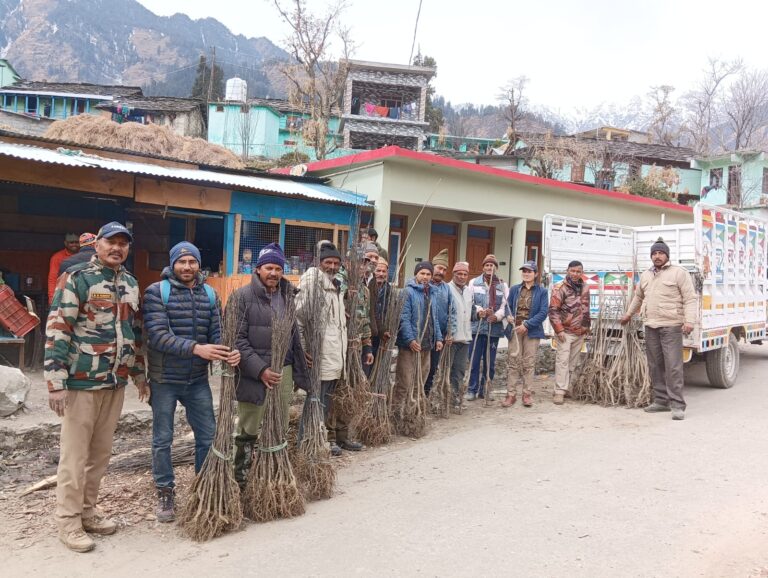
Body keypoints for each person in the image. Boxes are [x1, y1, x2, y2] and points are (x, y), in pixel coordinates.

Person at [44, 221, 148, 553]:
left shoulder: (131, 284)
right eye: (111, 242)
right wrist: (55, 382)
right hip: (80, 383)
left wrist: (139, 375)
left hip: (114, 383)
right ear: (98, 245)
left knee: (100, 456)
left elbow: (133, 334)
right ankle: (68, 521)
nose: (117, 248)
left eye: (123, 243)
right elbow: (59, 327)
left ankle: (88, 511)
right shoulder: (79, 279)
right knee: (74, 457)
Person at [143, 241, 240, 522]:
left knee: (207, 436)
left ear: (199, 265)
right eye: (182, 262)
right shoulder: (156, 293)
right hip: (164, 380)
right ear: (173, 264)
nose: (187, 267)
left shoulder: (209, 294)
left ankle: (203, 486)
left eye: (192, 262)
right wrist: (197, 348)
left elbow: (216, 333)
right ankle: (165, 491)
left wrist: (227, 352)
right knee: (163, 439)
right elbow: (157, 335)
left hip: (197, 379)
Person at [232, 243, 309, 485]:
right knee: (250, 424)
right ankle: (241, 475)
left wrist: (299, 358)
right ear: (257, 269)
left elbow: (293, 333)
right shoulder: (241, 298)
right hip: (254, 372)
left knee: (279, 421)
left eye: (278, 268)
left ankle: (272, 470)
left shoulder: (287, 296)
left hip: (283, 369)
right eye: (268, 267)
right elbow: (236, 340)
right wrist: (260, 370)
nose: (273, 273)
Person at [620, 238, 696, 420]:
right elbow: (638, 297)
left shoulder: (679, 273)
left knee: (673, 366)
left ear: (667, 255)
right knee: (655, 365)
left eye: (660, 253)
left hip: (671, 326)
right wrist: (628, 314)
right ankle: (661, 401)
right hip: (650, 325)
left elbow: (690, 298)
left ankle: (677, 405)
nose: (657, 256)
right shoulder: (646, 275)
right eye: (654, 253)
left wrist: (690, 321)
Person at [296, 242, 347, 457]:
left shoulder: (334, 286)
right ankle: (305, 445)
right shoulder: (312, 283)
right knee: (314, 400)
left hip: (333, 354)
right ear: (320, 263)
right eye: (328, 262)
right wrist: (304, 350)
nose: (332, 266)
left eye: (336, 263)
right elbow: (298, 317)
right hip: (319, 354)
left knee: (323, 400)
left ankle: (316, 441)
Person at [393, 261, 444, 415]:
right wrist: (410, 340)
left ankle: (412, 414)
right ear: (416, 274)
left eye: (428, 274)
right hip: (410, 346)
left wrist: (439, 338)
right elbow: (404, 318)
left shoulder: (433, 293)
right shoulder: (407, 292)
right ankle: (396, 413)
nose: (425, 277)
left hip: (426, 345)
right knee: (405, 381)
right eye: (422, 273)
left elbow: (434, 318)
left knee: (419, 382)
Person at [503, 261, 548, 408]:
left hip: (532, 331)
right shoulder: (515, 289)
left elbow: (543, 313)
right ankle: (511, 395)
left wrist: (527, 325)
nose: (526, 274)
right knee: (513, 363)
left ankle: (527, 394)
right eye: (524, 271)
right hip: (515, 330)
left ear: (535, 274)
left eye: (529, 271)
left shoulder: (542, 292)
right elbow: (507, 306)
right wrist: (508, 316)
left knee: (529, 363)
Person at [466, 255, 509, 401]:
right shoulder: (474, 283)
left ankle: (486, 389)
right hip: (476, 328)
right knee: (474, 360)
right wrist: (480, 311)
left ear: (496, 268)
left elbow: (505, 305)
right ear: (483, 267)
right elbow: (470, 301)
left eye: (492, 265)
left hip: (493, 329)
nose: (490, 268)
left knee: (489, 362)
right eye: (487, 265)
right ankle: (472, 389)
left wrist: (496, 316)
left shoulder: (502, 285)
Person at [548, 260, 591, 405]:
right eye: (572, 271)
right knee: (562, 362)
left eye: (578, 271)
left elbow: (586, 309)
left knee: (573, 363)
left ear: (582, 273)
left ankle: (567, 388)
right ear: (567, 271)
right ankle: (559, 391)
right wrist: (558, 330)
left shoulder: (585, 287)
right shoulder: (560, 288)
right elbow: (553, 311)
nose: (575, 274)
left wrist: (586, 328)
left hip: (580, 331)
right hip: (565, 332)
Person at [424, 248, 455, 395]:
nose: (441, 272)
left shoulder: (447, 289)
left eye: (444, 269)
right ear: (432, 266)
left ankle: (425, 396)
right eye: (439, 268)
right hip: (423, 336)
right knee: (421, 368)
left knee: (432, 368)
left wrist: (450, 331)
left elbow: (452, 312)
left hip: (439, 338)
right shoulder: (423, 285)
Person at [447, 261, 474, 408]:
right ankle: (443, 397)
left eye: (465, 274)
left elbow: (471, 311)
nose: (462, 277)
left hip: (465, 337)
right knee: (446, 369)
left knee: (459, 370)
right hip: (450, 338)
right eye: (459, 274)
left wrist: (479, 313)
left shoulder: (468, 291)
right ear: (454, 274)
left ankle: (456, 399)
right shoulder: (447, 289)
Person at [48, 232, 80, 304]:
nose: (74, 244)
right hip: (64, 292)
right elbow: (53, 278)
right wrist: (51, 297)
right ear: (65, 243)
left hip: (81, 292)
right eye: (71, 242)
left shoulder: (83, 255)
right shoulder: (57, 257)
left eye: (77, 242)